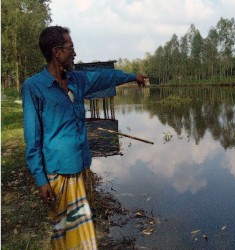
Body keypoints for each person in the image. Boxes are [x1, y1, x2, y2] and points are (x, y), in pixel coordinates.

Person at [22, 25, 145, 249]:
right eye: (71, 48)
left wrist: (131, 76)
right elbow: (32, 139)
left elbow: (105, 76)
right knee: (62, 232)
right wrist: (41, 180)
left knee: (82, 232)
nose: (75, 53)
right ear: (56, 52)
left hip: (82, 168)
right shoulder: (34, 87)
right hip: (58, 174)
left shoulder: (77, 81)